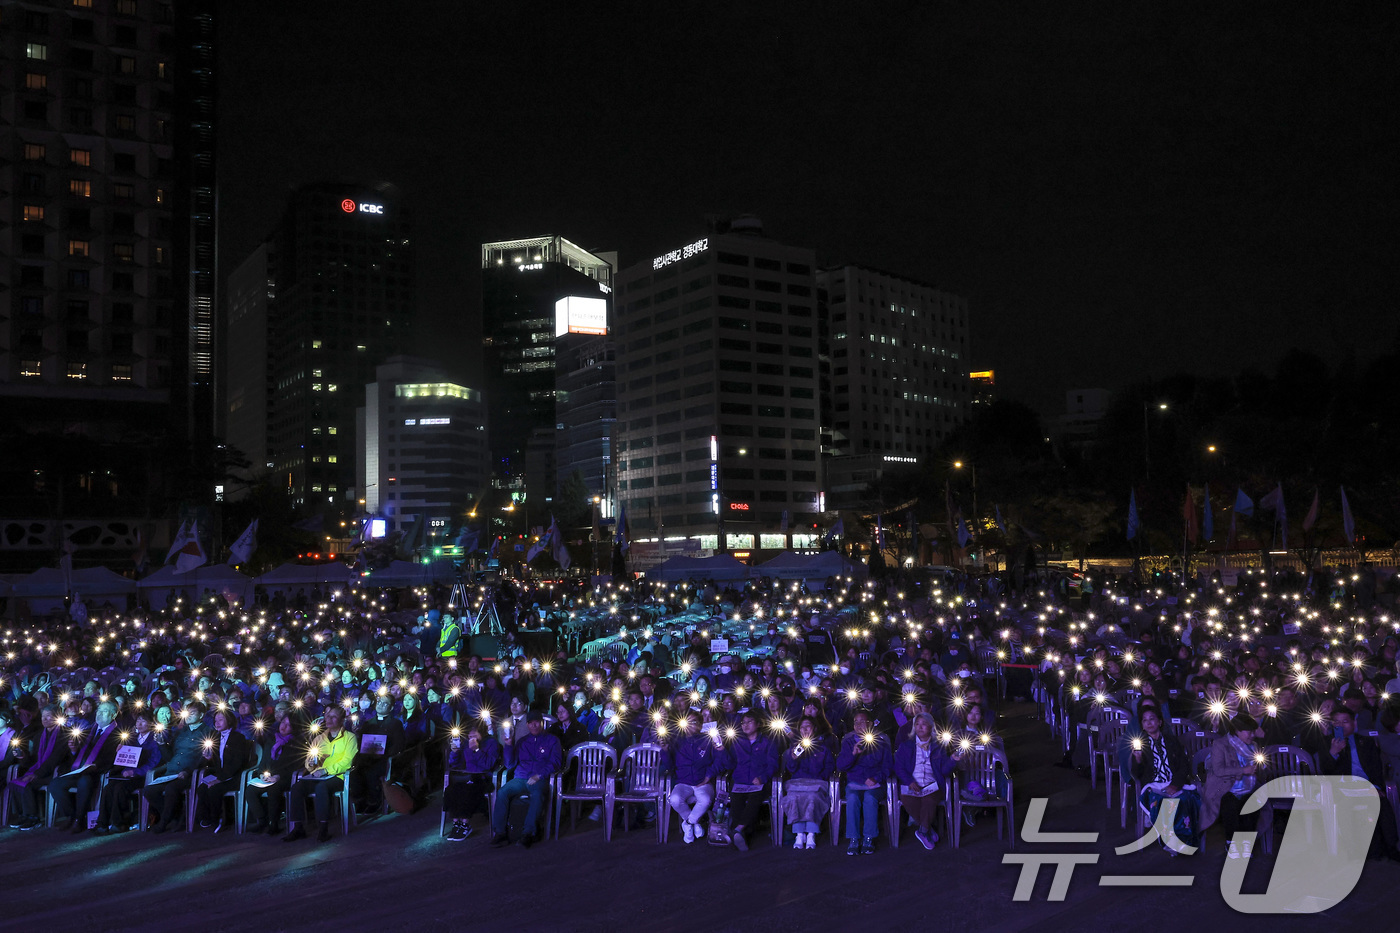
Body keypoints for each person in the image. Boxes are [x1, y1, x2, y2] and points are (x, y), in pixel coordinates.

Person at [1129, 707, 1201, 855]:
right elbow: (1137, 774)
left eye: (1152, 719)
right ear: (1142, 725)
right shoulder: (1140, 743)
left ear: (1159, 722)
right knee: (1162, 801)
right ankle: (1170, 841)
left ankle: (1185, 840)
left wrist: (1175, 784)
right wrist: (1137, 759)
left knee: (1186, 799)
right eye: (1145, 720)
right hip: (1153, 784)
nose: (1149, 723)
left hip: (1173, 781)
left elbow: (1183, 765)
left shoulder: (1171, 741)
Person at [1201, 713, 1270, 859]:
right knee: (1230, 803)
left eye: (1253, 731)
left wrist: (1260, 767)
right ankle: (1231, 842)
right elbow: (1218, 770)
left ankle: (1246, 842)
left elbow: (1261, 771)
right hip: (1225, 786)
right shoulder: (1221, 744)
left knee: (1253, 803)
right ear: (1237, 731)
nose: (1252, 735)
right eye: (1248, 731)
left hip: (1249, 785)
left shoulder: (1254, 746)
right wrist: (1243, 770)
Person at [284, 706, 357, 843]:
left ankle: (323, 828)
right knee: (297, 787)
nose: (329, 719)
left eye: (333, 717)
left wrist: (326, 770)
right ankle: (298, 827)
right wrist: (311, 764)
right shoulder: (319, 739)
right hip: (318, 775)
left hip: (338, 776)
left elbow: (347, 762)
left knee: (321, 788)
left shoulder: (349, 738)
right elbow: (309, 761)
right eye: (327, 716)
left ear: (342, 720)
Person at [489, 710, 561, 849]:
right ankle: (500, 832)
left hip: (539, 778)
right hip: (521, 777)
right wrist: (509, 745)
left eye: (536, 722)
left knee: (537, 794)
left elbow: (556, 762)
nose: (534, 725)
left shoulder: (552, 740)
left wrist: (540, 775)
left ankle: (528, 833)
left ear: (541, 723)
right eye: (530, 723)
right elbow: (510, 764)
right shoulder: (522, 741)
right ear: (527, 725)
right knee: (503, 792)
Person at [50, 700, 121, 833]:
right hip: (79, 770)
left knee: (84, 782)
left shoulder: (117, 735)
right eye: (98, 711)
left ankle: (79, 820)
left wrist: (96, 766)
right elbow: (76, 756)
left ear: (113, 714)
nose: (99, 714)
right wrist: (73, 750)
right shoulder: (89, 731)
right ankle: (72, 815)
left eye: (104, 711)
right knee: (55, 785)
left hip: (97, 772)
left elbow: (112, 759)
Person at [892, 712, 961, 850]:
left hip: (932, 784)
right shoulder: (906, 746)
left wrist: (952, 760)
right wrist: (910, 781)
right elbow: (898, 767)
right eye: (917, 724)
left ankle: (922, 831)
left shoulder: (939, 746)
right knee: (908, 799)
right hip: (912, 784)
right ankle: (927, 828)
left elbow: (944, 771)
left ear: (931, 727)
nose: (920, 727)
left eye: (924, 724)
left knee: (929, 800)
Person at [143, 702, 209, 833]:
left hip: (189, 773)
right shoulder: (180, 732)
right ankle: (176, 816)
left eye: (193, 713)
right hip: (172, 771)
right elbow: (170, 757)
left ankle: (164, 822)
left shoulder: (207, 732)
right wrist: (162, 744)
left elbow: (204, 759)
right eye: (187, 712)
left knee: (171, 789)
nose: (188, 716)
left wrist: (188, 772)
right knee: (149, 790)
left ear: (201, 715)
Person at [93, 711, 162, 834]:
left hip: (141, 776)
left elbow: (154, 762)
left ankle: (118, 823)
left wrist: (135, 772)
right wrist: (119, 751)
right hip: (127, 774)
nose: (139, 724)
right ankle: (102, 823)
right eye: (138, 721)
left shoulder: (155, 739)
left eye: (143, 721)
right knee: (109, 788)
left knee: (120, 788)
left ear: (151, 723)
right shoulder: (132, 738)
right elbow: (125, 759)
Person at [836, 709, 893, 855]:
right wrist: (853, 754)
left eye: (863, 722)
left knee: (869, 798)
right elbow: (841, 765)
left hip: (875, 783)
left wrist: (876, 778)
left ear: (871, 723)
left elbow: (888, 766)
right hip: (855, 782)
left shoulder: (881, 741)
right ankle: (854, 838)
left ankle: (869, 837)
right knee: (853, 799)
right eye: (856, 722)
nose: (859, 725)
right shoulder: (848, 741)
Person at [721, 711, 778, 852]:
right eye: (743, 722)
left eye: (749, 722)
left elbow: (773, 764)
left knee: (754, 800)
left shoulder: (767, 742)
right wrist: (721, 750)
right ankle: (741, 834)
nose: (745, 725)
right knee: (736, 802)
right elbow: (730, 764)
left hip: (759, 782)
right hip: (740, 781)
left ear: (758, 724)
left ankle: (738, 830)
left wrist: (762, 778)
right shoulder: (737, 742)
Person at [7, 705, 71, 829]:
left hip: (55, 772)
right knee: (15, 782)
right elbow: (34, 760)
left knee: (28, 784)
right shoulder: (39, 735)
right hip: (40, 769)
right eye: (43, 716)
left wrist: (35, 774)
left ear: (57, 717)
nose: (45, 719)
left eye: (48, 716)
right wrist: (23, 757)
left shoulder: (65, 734)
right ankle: (23, 815)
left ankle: (33, 818)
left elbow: (55, 759)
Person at [779, 717, 835, 849]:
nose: (805, 729)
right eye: (802, 727)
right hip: (797, 783)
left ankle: (811, 833)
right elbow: (790, 769)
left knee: (812, 798)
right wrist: (793, 759)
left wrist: (820, 777)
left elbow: (829, 767)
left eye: (808, 726)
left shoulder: (822, 748)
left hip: (816, 784)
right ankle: (799, 834)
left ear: (814, 728)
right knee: (793, 798)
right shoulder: (795, 747)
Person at [193, 708, 253, 829]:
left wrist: (220, 779)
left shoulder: (238, 738)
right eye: (215, 720)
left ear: (229, 720)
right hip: (220, 774)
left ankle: (218, 819)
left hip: (234, 776)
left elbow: (237, 763)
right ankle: (206, 818)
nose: (217, 723)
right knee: (202, 788)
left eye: (221, 719)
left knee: (214, 789)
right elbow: (215, 763)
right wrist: (208, 758)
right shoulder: (215, 738)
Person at [667, 711, 719, 844]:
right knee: (675, 799)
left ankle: (688, 823)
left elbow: (720, 761)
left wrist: (708, 776)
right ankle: (693, 823)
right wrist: (664, 750)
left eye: (695, 722)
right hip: (683, 781)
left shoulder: (708, 740)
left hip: (703, 781)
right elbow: (669, 764)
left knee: (706, 799)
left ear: (701, 725)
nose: (690, 725)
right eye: (687, 722)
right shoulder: (677, 741)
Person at [444, 722, 500, 840]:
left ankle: (465, 823)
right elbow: (455, 764)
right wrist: (454, 753)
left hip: (483, 778)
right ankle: (456, 823)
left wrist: (476, 750)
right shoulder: (465, 744)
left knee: (467, 790)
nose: (472, 739)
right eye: (470, 737)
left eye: (475, 736)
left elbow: (488, 765)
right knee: (451, 790)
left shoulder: (491, 743)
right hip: (467, 777)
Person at [351, 694, 405, 814]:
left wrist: (384, 753)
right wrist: (358, 735)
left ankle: (374, 802)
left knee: (372, 773)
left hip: (384, 759)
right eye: (379, 702)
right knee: (355, 771)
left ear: (391, 708)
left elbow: (398, 744)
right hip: (367, 757)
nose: (380, 705)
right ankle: (360, 800)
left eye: (385, 703)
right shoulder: (368, 723)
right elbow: (362, 743)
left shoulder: (395, 724)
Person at [246, 715, 298, 835]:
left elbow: (294, 766)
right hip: (268, 776)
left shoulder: (294, 743)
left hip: (284, 777)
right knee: (250, 790)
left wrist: (278, 776)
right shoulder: (271, 740)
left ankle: (273, 824)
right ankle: (261, 820)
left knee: (274, 790)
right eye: (283, 722)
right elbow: (264, 761)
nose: (284, 726)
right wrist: (261, 775)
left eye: (289, 725)